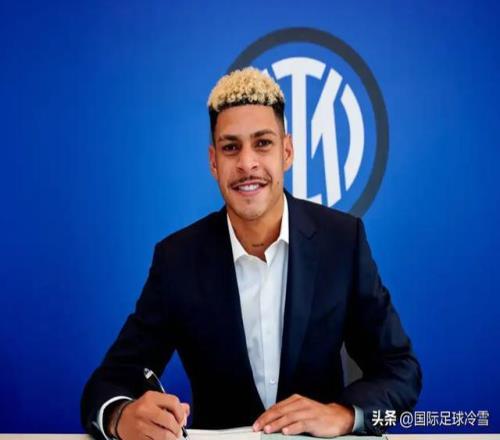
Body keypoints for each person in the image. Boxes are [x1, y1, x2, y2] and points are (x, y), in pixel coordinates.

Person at [81, 67, 422, 440]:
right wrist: (119, 416)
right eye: (231, 147)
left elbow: (399, 368)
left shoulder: (342, 241)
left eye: (262, 143)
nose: (247, 163)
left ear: (287, 151)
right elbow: (111, 380)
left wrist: (343, 415)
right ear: (213, 162)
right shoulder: (177, 259)